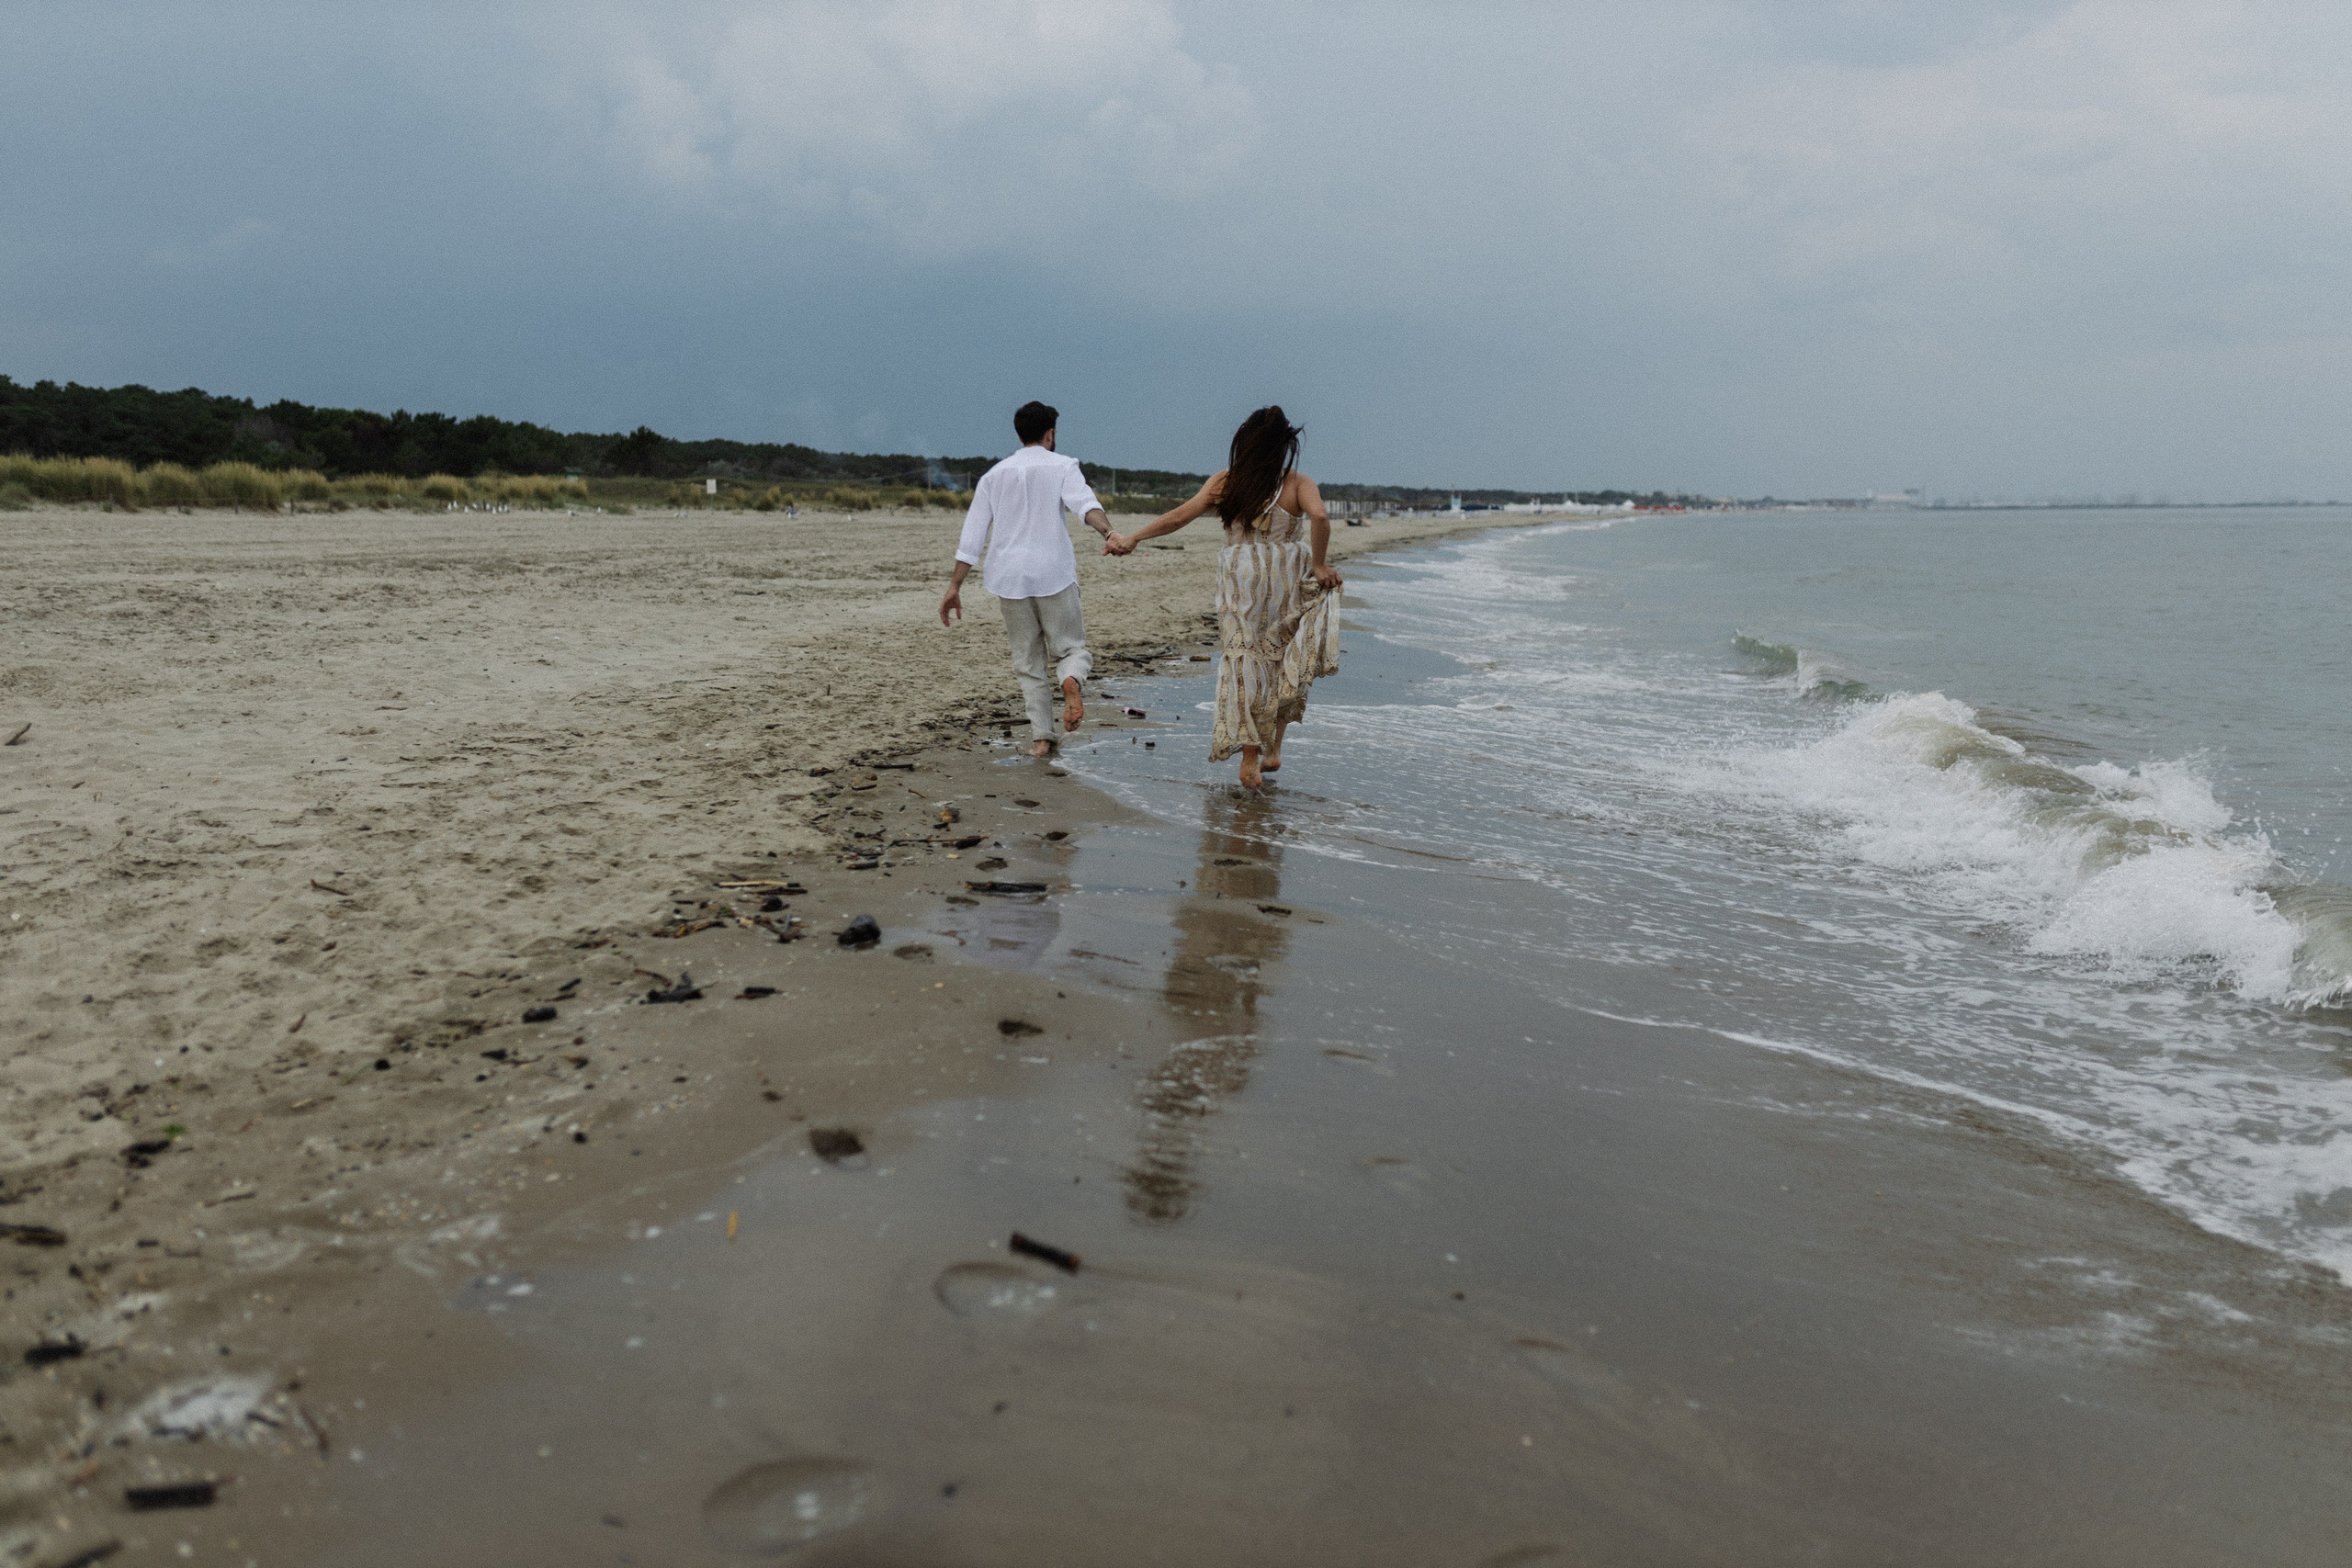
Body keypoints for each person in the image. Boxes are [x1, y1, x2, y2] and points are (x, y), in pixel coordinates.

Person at [1104, 406, 1341, 787]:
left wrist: (1134, 538)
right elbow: (1321, 518)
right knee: (1283, 657)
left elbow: (1180, 517)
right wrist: (1318, 564)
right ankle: (1274, 749)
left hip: (1241, 577)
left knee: (1244, 659)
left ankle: (1250, 757)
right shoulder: (1298, 483)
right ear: (1285, 446)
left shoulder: (1226, 482)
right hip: (1284, 574)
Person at [940, 400, 1116, 758]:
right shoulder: (1064, 466)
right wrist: (1109, 534)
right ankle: (1070, 681)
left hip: (1008, 577)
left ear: (1019, 434)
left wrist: (955, 586)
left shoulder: (994, 475)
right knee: (1070, 648)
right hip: (1053, 572)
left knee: (1028, 662)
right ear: (1050, 433)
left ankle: (1041, 738)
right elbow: (1085, 506)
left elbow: (972, 537)